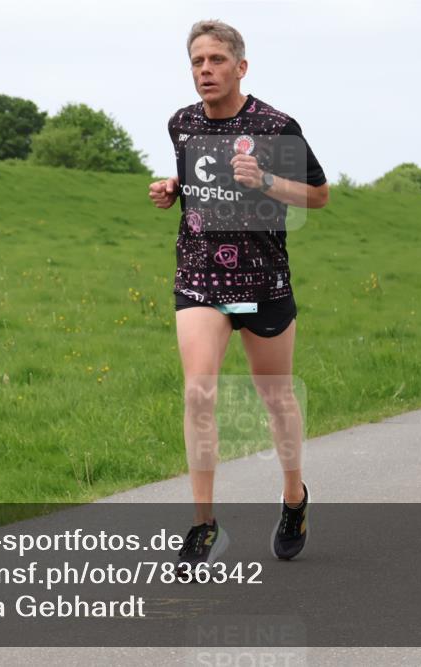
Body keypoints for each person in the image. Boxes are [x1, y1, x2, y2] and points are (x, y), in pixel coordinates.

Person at [147, 19, 329, 577]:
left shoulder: (276, 126)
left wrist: (268, 183)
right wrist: (174, 189)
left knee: (275, 398)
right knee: (199, 391)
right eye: (197, 62)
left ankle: (294, 500)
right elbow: (196, 182)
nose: (206, 70)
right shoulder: (180, 124)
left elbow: (319, 196)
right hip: (200, 277)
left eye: (216, 61)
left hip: (263, 283)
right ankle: (204, 523)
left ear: (240, 66)